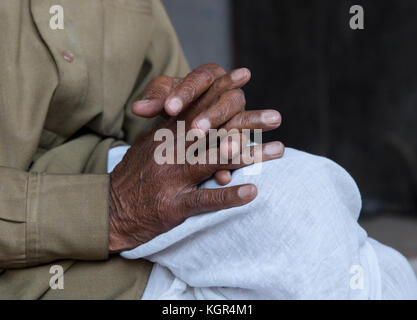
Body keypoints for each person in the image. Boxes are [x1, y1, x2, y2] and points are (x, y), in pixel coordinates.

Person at [0, 0, 416, 300]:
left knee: (306, 202)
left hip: (113, 178)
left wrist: (189, 117)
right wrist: (109, 209)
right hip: (32, 267)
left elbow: (149, 102)